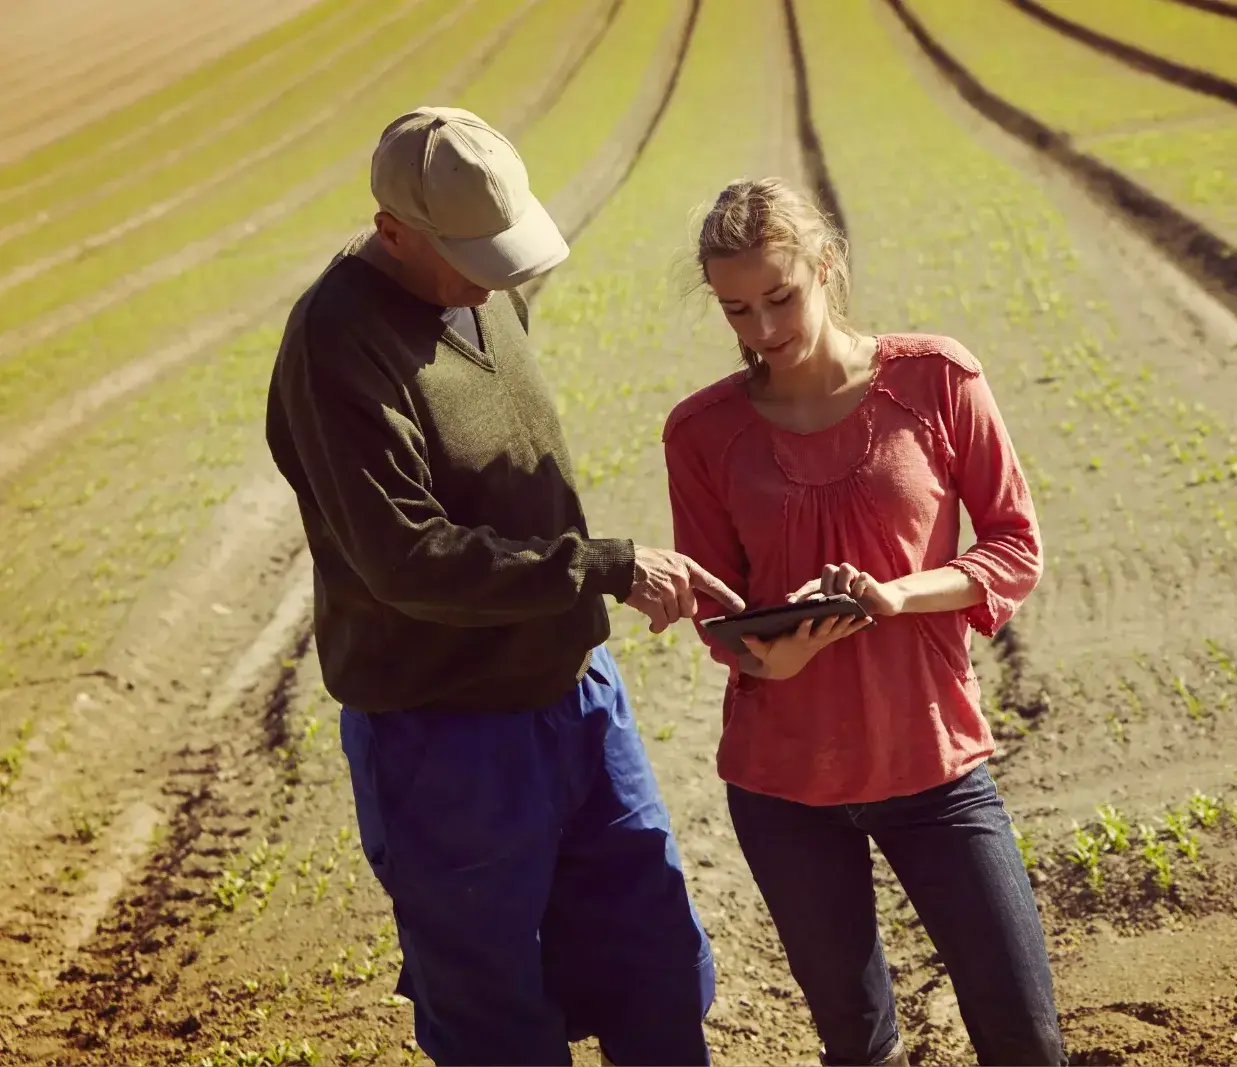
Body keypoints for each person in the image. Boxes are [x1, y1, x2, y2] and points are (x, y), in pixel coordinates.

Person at [263, 106, 742, 1067]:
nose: (502, 272)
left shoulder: (484, 285)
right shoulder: (337, 343)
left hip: (576, 697)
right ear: (393, 229)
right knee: (497, 1017)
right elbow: (405, 557)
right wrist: (604, 566)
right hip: (447, 736)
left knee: (655, 964)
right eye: (475, 253)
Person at [662, 177, 1066, 1066]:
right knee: (859, 1045)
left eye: (781, 297)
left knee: (1026, 1038)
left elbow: (1014, 546)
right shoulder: (700, 432)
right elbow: (717, 607)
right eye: (737, 310)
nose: (764, 330)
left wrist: (894, 594)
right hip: (781, 786)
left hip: (934, 765)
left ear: (827, 265)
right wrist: (774, 660)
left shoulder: (937, 378)